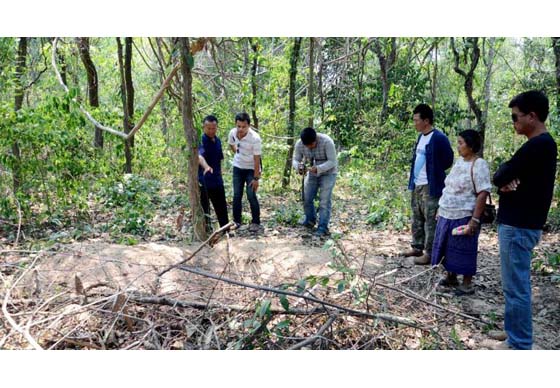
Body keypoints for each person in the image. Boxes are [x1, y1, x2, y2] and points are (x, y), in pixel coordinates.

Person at [491, 90, 557, 350]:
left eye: (515, 117)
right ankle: (513, 333)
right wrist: (505, 180)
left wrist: (504, 178)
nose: (513, 122)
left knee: (516, 286)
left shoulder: (539, 145)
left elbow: (500, 175)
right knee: (512, 285)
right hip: (519, 223)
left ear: (532, 116)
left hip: (519, 226)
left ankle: (519, 344)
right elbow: (503, 175)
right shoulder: (539, 146)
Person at [430, 130, 491, 295]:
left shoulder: (479, 164)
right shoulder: (459, 162)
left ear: (471, 145)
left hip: (464, 213)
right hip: (447, 211)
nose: (458, 147)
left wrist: (474, 220)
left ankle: (466, 284)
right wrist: (440, 208)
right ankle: (451, 277)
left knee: (463, 247)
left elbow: (483, 193)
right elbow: (449, 186)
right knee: (447, 246)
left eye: (461, 143)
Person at [403, 104, 454, 265]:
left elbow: (448, 159)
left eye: (416, 120)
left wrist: (435, 172)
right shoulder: (420, 137)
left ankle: (430, 253)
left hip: (430, 185)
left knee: (431, 220)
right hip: (417, 184)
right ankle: (417, 246)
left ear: (426, 120)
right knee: (417, 217)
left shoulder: (439, 138)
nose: (414, 123)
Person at [292, 127, 338, 237]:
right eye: (307, 145)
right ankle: (310, 220)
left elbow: (332, 161)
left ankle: (323, 227)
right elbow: (295, 159)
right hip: (312, 173)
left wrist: (319, 168)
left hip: (329, 173)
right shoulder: (299, 144)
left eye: (311, 144)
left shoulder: (327, 142)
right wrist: (298, 167)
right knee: (307, 197)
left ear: (316, 138)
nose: (309, 147)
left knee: (324, 200)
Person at [227, 112, 262, 233]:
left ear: (249, 125)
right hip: (238, 167)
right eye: (239, 126)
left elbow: (257, 159)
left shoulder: (255, 138)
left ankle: (256, 222)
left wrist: (256, 178)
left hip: (251, 168)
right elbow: (231, 144)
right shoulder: (232, 133)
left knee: (251, 194)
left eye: (244, 126)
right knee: (237, 195)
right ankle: (237, 221)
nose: (241, 129)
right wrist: (237, 152)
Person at [198, 115, 229, 229]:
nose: (211, 131)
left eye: (213, 128)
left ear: (217, 128)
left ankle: (225, 229)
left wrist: (220, 173)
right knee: (204, 208)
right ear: (203, 127)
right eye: (208, 128)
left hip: (217, 180)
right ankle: (206, 231)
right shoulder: (200, 140)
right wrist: (206, 167)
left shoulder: (218, 141)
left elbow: (219, 159)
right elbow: (199, 156)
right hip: (204, 181)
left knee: (221, 207)